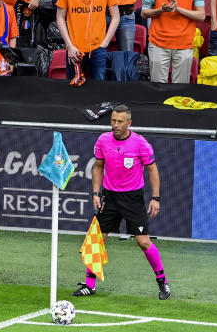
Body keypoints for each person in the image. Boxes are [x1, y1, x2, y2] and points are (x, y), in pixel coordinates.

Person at [70, 105, 169, 300]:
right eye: (113, 121)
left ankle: (162, 282)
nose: (115, 125)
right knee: (96, 239)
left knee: (143, 241)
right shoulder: (103, 141)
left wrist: (155, 199)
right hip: (109, 197)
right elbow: (98, 167)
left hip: (133, 198)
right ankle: (90, 284)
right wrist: (96, 193)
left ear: (129, 123)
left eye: (120, 122)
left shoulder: (140, 144)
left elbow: (153, 170)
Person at [56, 0, 119, 85]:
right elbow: (60, 18)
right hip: (75, 48)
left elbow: (116, 16)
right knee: (73, 87)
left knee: (98, 87)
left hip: (98, 47)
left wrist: (105, 43)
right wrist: (69, 45)